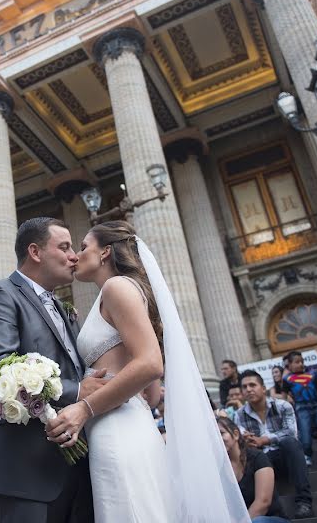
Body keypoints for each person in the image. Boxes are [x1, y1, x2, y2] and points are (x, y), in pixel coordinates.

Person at [44, 220, 249, 521]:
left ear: (105, 253)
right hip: (130, 423)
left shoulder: (117, 287)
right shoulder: (116, 292)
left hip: (115, 428)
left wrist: (85, 408)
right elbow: (151, 395)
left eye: (84, 246)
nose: (76, 254)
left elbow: (152, 364)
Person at [0, 217, 96, 522]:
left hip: (76, 469)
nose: (73, 256)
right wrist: (79, 390)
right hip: (21, 475)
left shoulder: (65, 310)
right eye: (64, 247)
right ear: (35, 252)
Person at [236, 369, 314, 519]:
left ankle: (304, 501)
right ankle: (275, 513)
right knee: (249, 455)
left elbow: (291, 432)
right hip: (261, 461)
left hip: (285, 457)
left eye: (252, 385)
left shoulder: (283, 406)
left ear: (263, 388)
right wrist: (245, 441)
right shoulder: (239, 414)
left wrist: (264, 440)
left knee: (290, 443)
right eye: (244, 387)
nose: (248, 389)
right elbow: (242, 438)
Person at [217, 416, 289, 522]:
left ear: (236, 434)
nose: (218, 438)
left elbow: (263, 502)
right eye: (214, 436)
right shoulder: (220, 469)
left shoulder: (257, 458)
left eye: (221, 433)